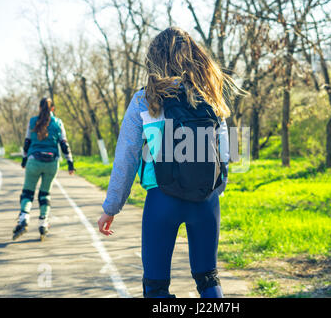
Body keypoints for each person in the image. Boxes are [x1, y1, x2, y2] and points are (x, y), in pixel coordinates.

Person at [97, 27, 243, 298]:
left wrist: (111, 207)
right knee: (208, 279)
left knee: (156, 287)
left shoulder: (145, 99)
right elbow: (227, 154)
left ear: (155, 59)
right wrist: (213, 190)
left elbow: (126, 158)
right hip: (206, 202)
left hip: (162, 201)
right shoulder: (209, 96)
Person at [13, 97, 75, 241]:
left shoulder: (33, 121)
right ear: (53, 109)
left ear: (40, 108)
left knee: (27, 192)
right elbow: (64, 144)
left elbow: (27, 142)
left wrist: (24, 159)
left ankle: (24, 218)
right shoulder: (58, 122)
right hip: (52, 162)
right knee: (45, 194)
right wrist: (70, 163)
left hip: (34, 160)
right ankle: (43, 223)